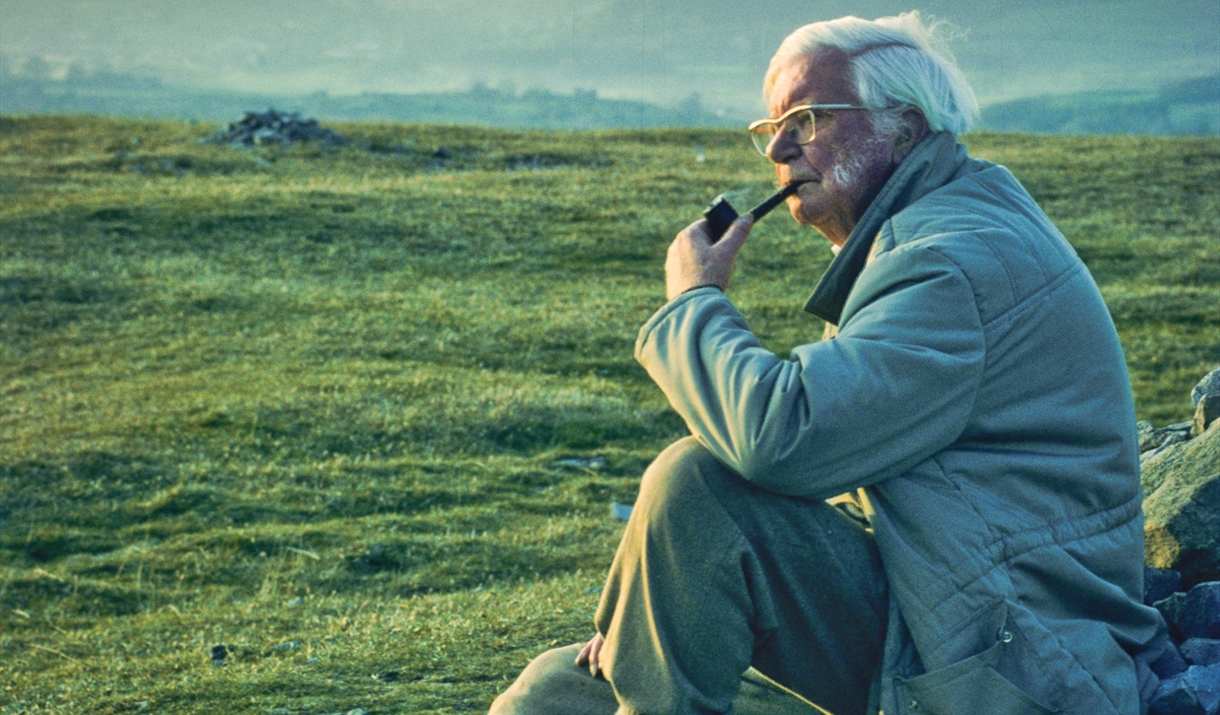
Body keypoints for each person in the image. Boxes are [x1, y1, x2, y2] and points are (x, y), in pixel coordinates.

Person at [490, 12, 1169, 715]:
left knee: (694, 485)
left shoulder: (948, 265)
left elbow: (784, 436)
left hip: (1009, 662)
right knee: (555, 692)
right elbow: (896, 483)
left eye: (809, 119)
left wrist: (693, 302)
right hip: (935, 615)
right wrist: (653, 606)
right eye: (771, 128)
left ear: (902, 126)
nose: (780, 147)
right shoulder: (945, 223)